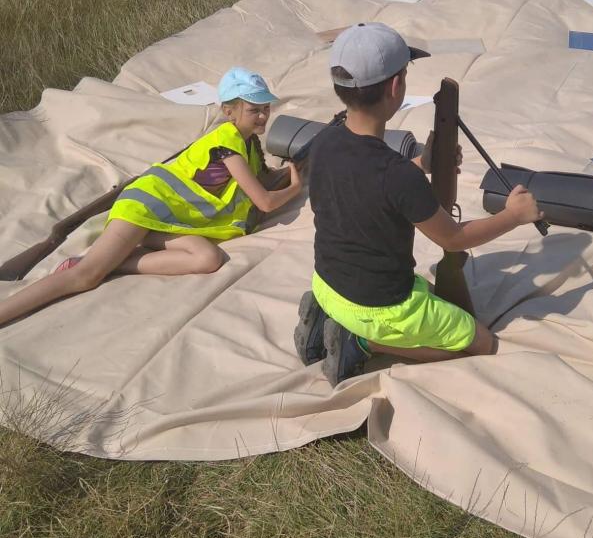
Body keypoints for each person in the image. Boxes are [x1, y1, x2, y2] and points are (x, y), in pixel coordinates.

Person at [293, 22, 544, 385]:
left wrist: (423, 163)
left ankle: (329, 318)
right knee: (482, 345)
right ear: (396, 87)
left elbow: (368, 183)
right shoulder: (397, 176)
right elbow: (454, 239)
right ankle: (360, 342)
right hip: (379, 306)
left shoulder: (324, 142)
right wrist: (513, 215)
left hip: (326, 286)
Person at [0, 68, 302, 327]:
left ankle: (114, 262)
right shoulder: (226, 142)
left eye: (265, 107)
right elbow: (265, 202)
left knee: (208, 258)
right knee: (85, 276)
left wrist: (292, 168)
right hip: (145, 206)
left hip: (169, 218)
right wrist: (296, 186)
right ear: (228, 111)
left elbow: (259, 181)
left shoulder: (246, 144)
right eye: (254, 109)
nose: (263, 115)